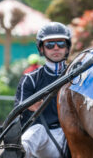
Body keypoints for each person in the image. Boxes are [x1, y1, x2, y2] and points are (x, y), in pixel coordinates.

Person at [14, 22, 71, 158]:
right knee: (36, 131)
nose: (56, 48)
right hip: (43, 137)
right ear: (41, 48)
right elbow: (18, 113)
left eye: (61, 44)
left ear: (67, 48)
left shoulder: (79, 75)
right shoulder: (30, 79)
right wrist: (28, 107)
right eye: (50, 44)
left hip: (70, 134)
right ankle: (18, 153)